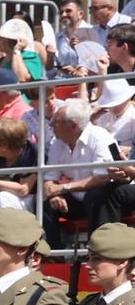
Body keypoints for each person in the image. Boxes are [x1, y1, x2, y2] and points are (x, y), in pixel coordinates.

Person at [40, 99, 117, 232]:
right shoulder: (57, 143)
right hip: (74, 199)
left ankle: (96, 250)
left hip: (99, 198)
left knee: (95, 196)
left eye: (56, 122)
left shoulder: (100, 137)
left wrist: (62, 188)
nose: (51, 125)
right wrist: (54, 195)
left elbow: (101, 178)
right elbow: (49, 178)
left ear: (74, 126)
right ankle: (52, 251)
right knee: (47, 205)